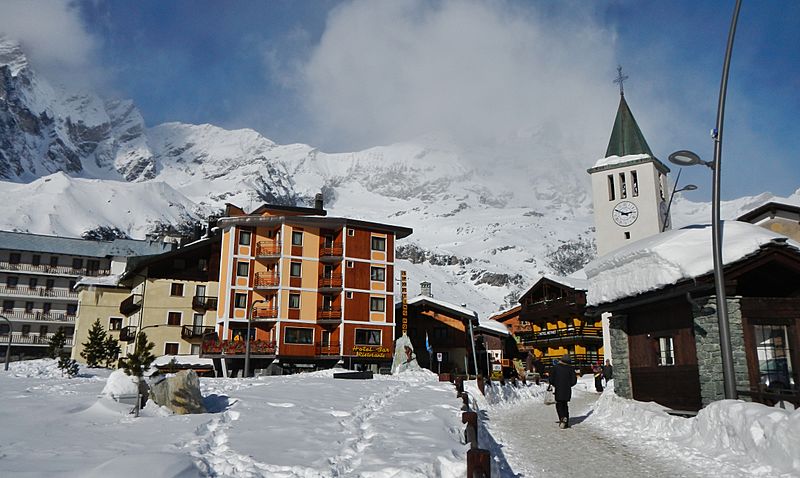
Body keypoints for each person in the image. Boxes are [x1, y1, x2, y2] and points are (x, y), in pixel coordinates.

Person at [550, 353, 578, 429]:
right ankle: (566, 421)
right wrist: (568, 385)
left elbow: (551, 379)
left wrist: (556, 384)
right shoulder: (571, 368)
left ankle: (562, 418)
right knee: (565, 405)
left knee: (559, 404)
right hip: (567, 390)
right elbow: (574, 381)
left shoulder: (556, 367)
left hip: (558, 389)